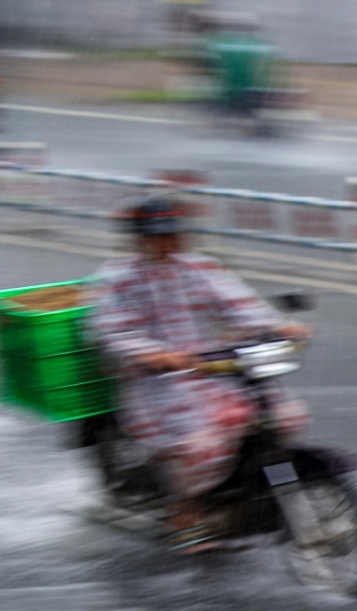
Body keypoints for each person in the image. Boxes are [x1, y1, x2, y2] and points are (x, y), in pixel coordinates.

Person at [88, 193, 310, 549]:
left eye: (173, 233)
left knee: (283, 416)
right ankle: (185, 507)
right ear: (140, 237)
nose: (169, 242)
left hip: (213, 370)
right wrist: (155, 354)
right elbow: (110, 329)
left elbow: (240, 304)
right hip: (156, 383)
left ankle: (251, 489)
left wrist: (280, 326)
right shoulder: (117, 278)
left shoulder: (200, 268)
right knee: (200, 445)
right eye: (159, 235)